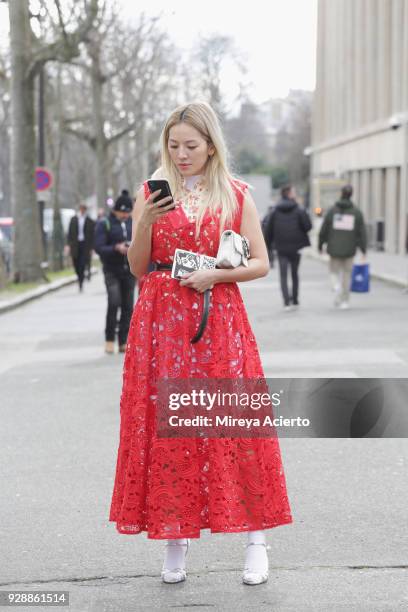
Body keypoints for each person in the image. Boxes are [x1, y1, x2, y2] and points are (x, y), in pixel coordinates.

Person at [108, 102, 292, 586]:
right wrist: (144, 219)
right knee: (171, 429)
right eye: (173, 146)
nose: (182, 154)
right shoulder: (153, 193)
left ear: (211, 145)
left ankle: (257, 540)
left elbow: (261, 263)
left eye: (191, 145)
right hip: (161, 321)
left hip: (219, 317)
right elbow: (138, 266)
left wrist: (216, 272)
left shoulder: (234, 194)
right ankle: (175, 539)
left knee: (233, 423)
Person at [94, 190, 135, 354]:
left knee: (128, 305)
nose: (125, 215)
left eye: (127, 212)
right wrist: (116, 248)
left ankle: (123, 340)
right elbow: (99, 247)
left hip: (129, 269)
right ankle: (109, 338)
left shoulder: (134, 223)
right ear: (115, 211)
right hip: (112, 269)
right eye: (122, 212)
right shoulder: (105, 224)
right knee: (114, 301)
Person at [318, 184, 367, 309]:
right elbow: (361, 232)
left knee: (333, 272)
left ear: (341, 193)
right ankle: (344, 300)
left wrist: (320, 244)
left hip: (334, 249)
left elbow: (324, 229)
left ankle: (336, 286)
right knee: (347, 275)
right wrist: (363, 248)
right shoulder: (356, 212)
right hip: (350, 249)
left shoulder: (332, 211)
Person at [264, 185, 311, 311]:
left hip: (281, 247)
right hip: (296, 247)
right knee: (295, 273)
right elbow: (308, 226)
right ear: (289, 194)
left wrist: (268, 247)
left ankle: (286, 302)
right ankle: (295, 299)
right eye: (293, 192)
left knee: (283, 275)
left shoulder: (274, 210)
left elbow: (268, 230)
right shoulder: (299, 209)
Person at [66, 203, 95, 291]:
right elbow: (69, 233)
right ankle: (79, 276)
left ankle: (81, 281)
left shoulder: (90, 221)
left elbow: (92, 235)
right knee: (76, 263)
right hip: (75, 245)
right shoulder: (73, 219)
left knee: (82, 264)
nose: (82, 211)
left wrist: (92, 247)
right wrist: (68, 245)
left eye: (84, 209)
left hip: (85, 245)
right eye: (81, 209)